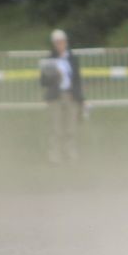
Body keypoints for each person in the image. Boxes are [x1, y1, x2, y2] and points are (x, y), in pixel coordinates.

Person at [40, 29, 84, 163]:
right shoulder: (49, 60)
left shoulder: (73, 59)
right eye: (57, 42)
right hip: (55, 97)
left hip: (70, 96)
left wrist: (80, 98)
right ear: (53, 44)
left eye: (62, 41)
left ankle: (71, 153)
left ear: (66, 42)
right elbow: (43, 82)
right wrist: (54, 76)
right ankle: (54, 155)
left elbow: (77, 79)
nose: (60, 44)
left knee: (71, 128)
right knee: (56, 128)